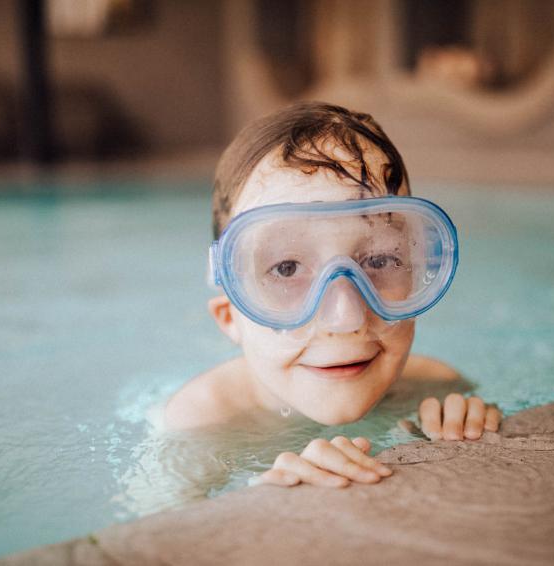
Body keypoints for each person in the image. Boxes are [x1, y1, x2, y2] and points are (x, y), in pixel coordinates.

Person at [155, 101, 501, 488]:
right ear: (229, 317)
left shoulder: (433, 387)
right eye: (286, 268)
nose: (346, 317)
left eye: (381, 259)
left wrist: (463, 418)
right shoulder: (202, 421)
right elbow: (152, 534)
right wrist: (256, 495)